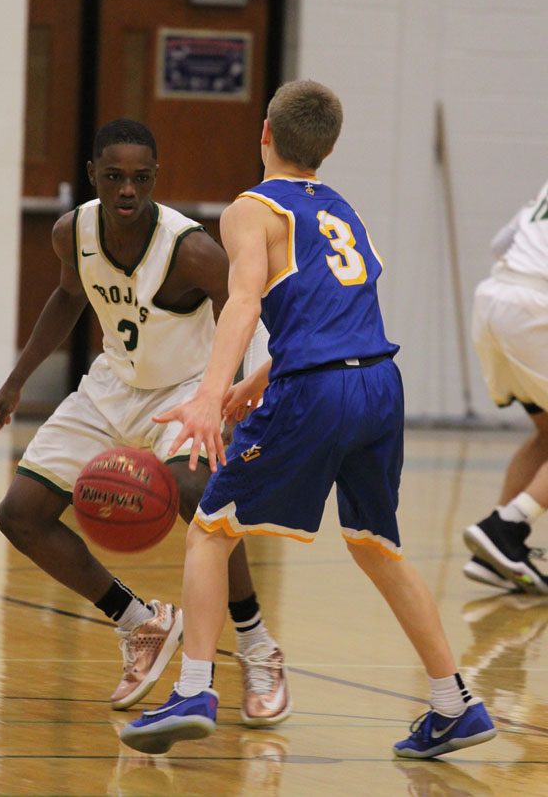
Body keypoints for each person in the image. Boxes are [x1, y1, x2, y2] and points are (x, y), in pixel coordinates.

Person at [119, 81, 496, 758]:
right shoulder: (345, 211)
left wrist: (210, 394)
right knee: (377, 547)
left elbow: (242, 305)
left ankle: (195, 689)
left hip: (318, 393)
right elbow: (338, 312)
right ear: (327, 147)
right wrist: (257, 381)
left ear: (264, 131)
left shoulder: (251, 209)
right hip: (380, 384)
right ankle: (453, 702)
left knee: (209, 532)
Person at [0, 118, 288, 721]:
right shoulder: (73, 231)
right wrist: (16, 381)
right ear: (94, 175)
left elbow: (247, 311)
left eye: (141, 178)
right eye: (115, 177)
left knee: (199, 494)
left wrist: (234, 398)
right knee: (18, 515)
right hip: (111, 386)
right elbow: (70, 296)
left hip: (184, 390)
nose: (128, 189)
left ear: (155, 179)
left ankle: (256, 643)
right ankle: (140, 622)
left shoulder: (190, 249)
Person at [463, 180, 548, 594]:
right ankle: (506, 526)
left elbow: (502, 242)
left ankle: (495, 555)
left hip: (496, 296)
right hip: (535, 307)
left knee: (546, 434)